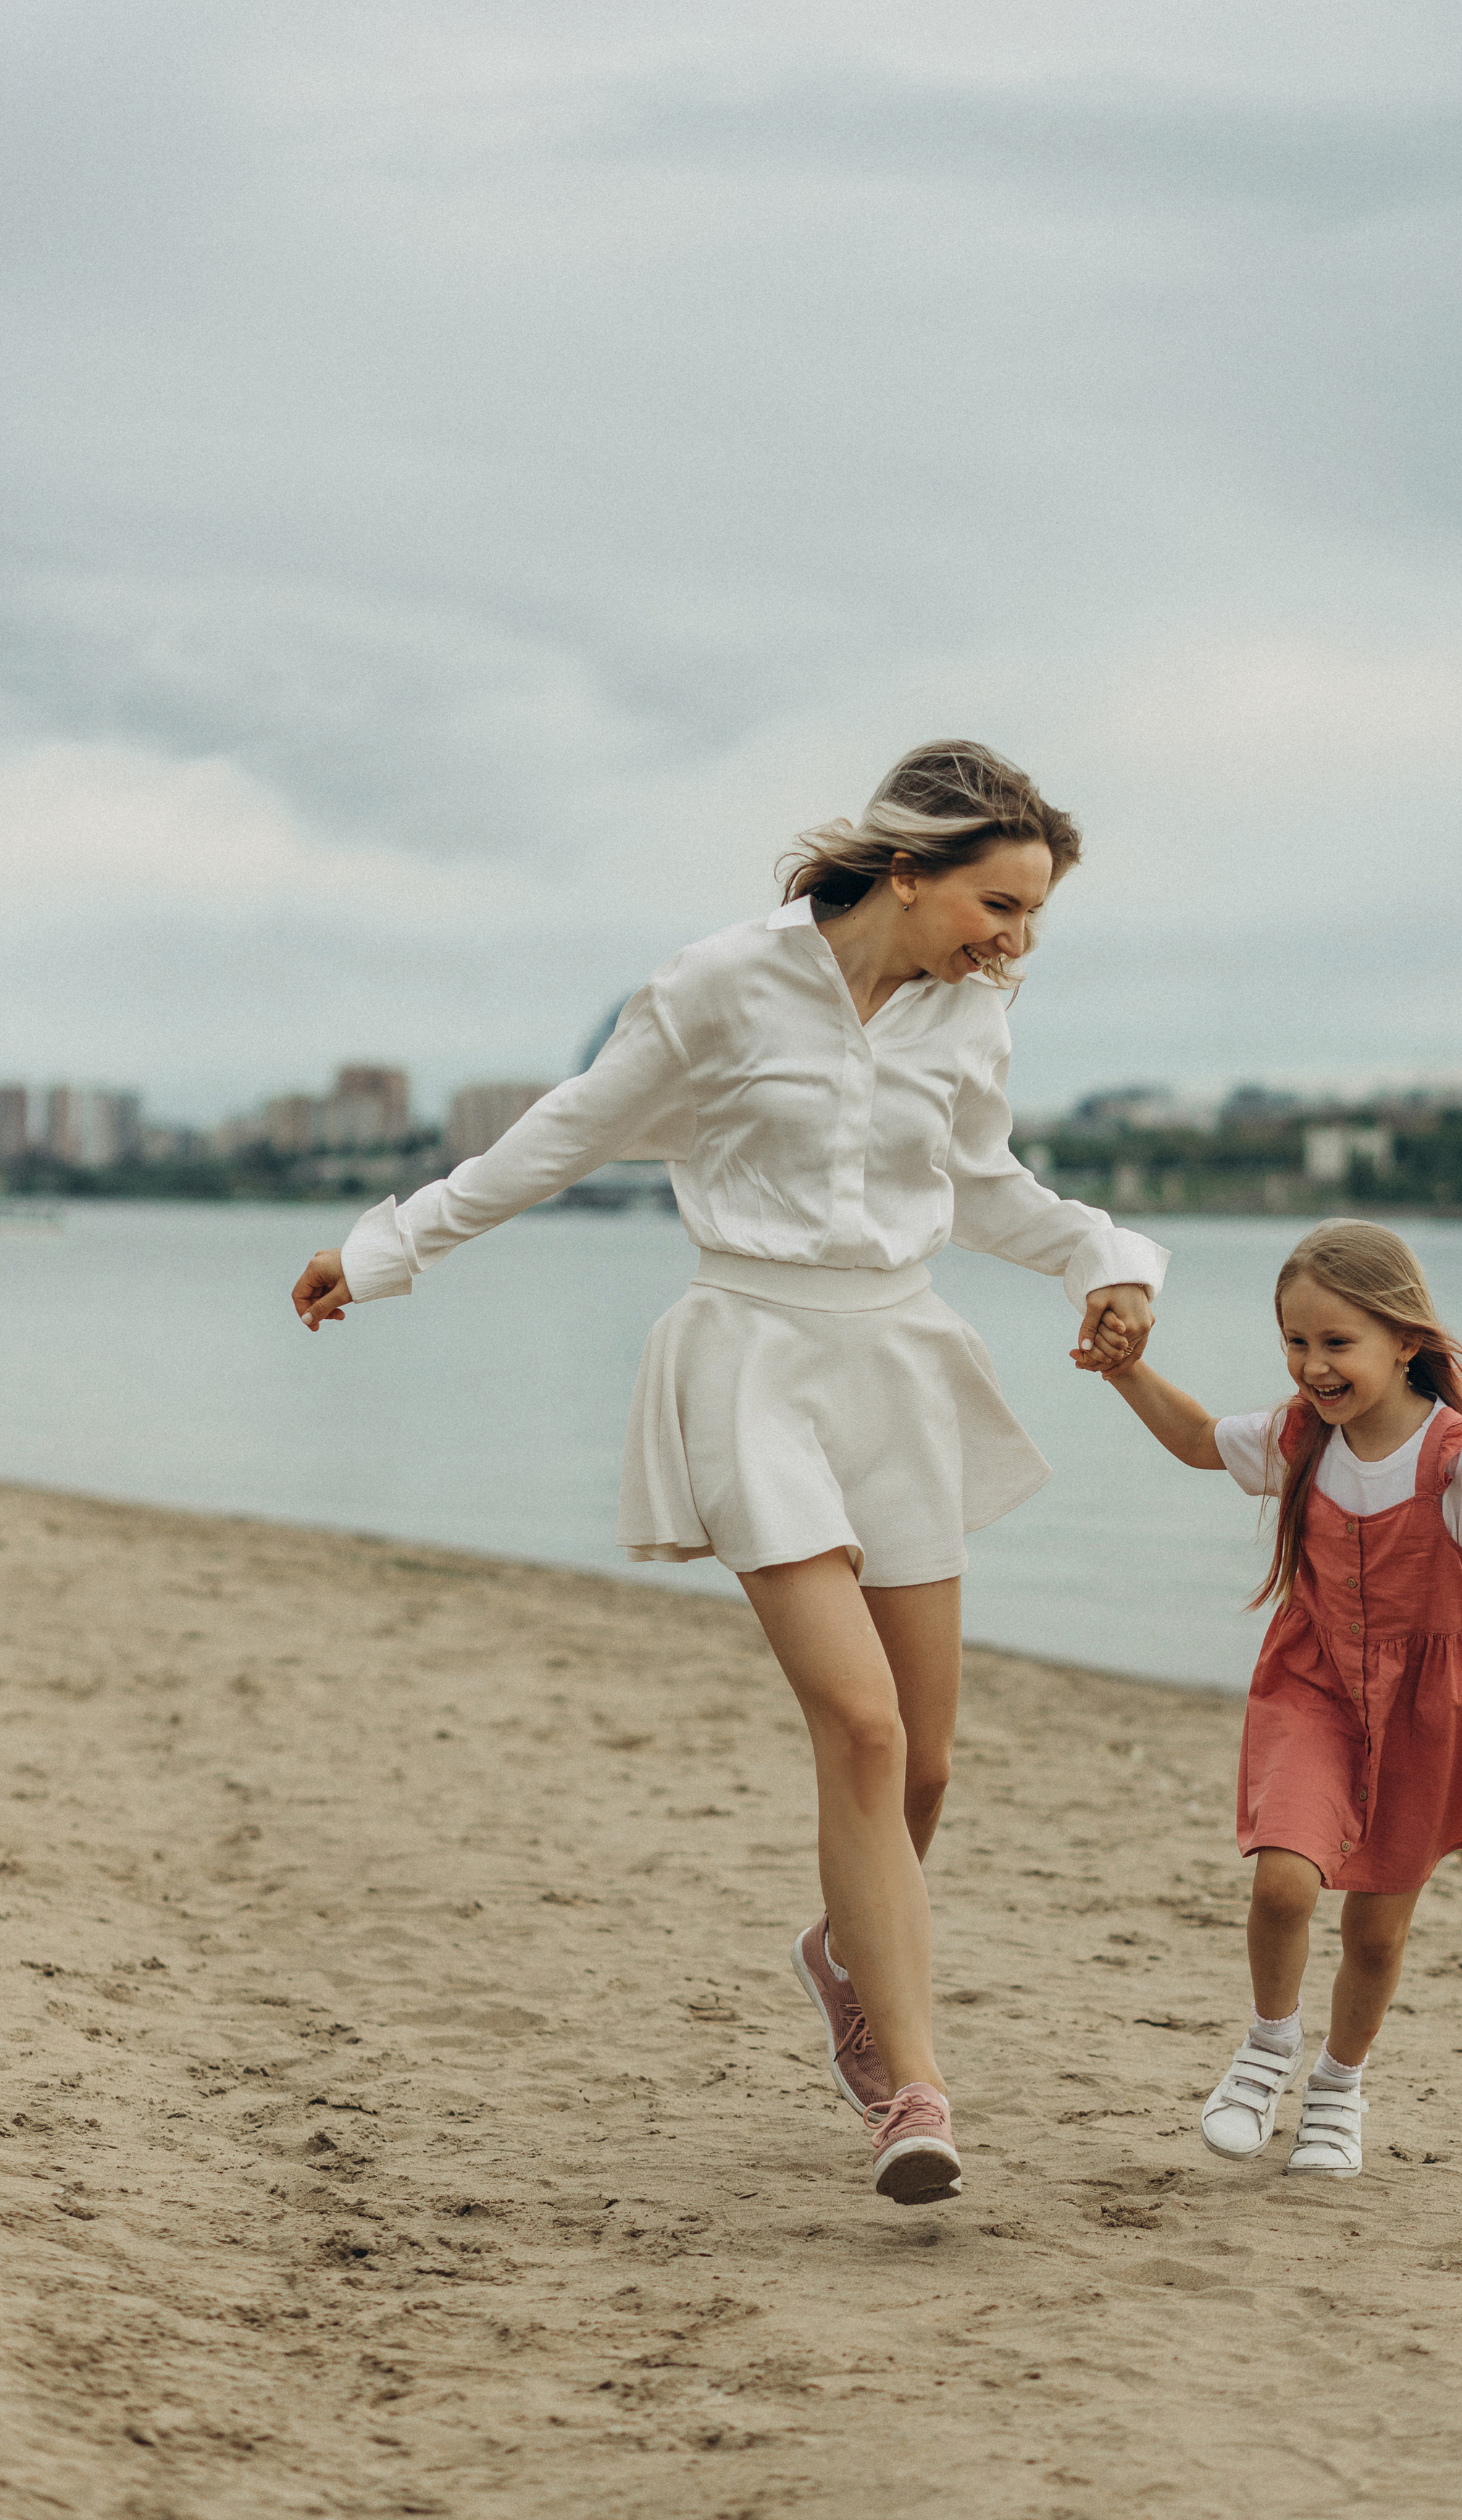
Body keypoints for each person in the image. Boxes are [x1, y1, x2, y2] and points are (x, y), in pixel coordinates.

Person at [289, 741, 1165, 2206]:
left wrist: (1108, 1260)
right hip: (750, 1359)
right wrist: (386, 1250)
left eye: (1032, 919)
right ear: (909, 869)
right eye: (997, 906)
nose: (1013, 942)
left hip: (897, 1368)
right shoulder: (717, 982)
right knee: (863, 1734)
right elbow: (565, 1131)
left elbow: (982, 1188)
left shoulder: (969, 1022)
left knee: (927, 1764)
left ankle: (839, 1953)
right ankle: (914, 2090)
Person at [1095, 1218, 1462, 2180]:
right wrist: (1121, 1371)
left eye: (1336, 1343)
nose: (1312, 1365)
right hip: (1314, 1685)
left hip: (1426, 1712)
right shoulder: (1298, 1439)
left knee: (1375, 1931)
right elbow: (1196, 1439)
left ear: (1406, 1342)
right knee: (1282, 1884)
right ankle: (1269, 2047)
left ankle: (1338, 2089)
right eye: (1296, 1341)